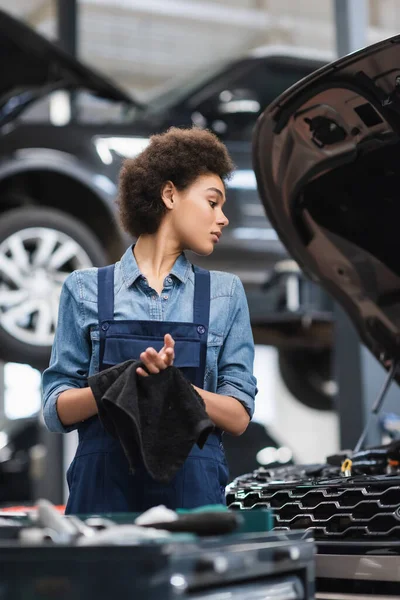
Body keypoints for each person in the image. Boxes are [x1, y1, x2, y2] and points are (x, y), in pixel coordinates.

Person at [42, 127, 257, 514]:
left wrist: (173, 387)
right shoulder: (84, 289)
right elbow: (55, 411)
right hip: (103, 494)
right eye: (213, 202)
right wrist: (123, 381)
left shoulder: (225, 294)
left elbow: (239, 416)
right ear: (170, 194)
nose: (222, 218)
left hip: (192, 496)